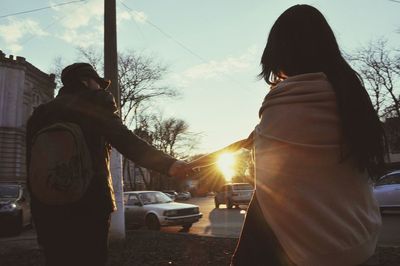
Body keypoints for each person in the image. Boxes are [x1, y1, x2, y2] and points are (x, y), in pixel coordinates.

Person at [230, 5, 386, 266]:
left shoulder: (283, 100)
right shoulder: (352, 97)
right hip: (361, 247)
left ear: (280, 55)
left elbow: (267, 184)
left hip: (307, 254)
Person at [26, 62, 190, 266]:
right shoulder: (92, 106)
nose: (101, 88)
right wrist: (169, 164)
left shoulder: (40, 115)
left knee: (57, 259)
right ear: (85, 81)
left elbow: (31, 165)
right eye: (98, 83)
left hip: (47, 209)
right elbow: (127, 141)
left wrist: (38, 205)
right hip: (89, 205)